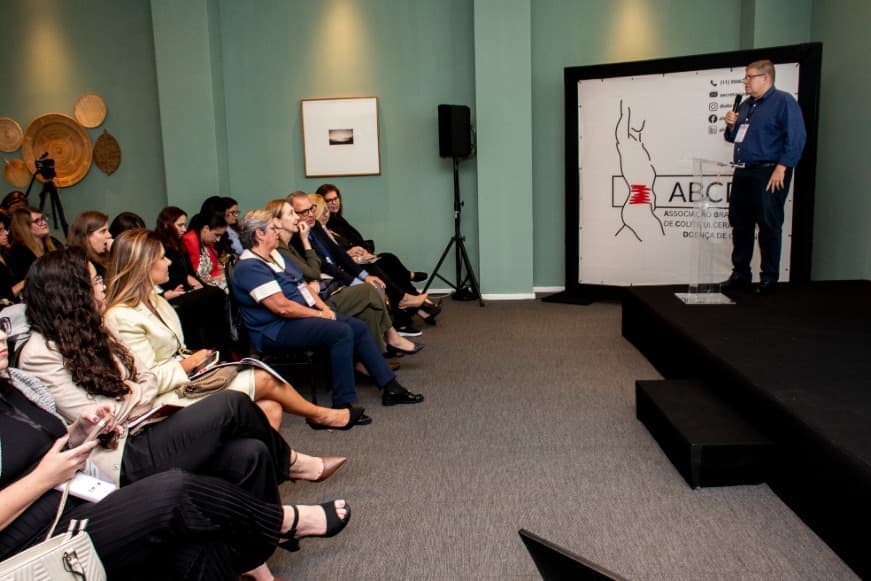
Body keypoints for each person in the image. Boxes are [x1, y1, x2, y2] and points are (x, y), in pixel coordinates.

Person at [3, 324, 351, 580]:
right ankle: (281, 521)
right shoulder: (35, 357)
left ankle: (258, 549)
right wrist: (43, 478)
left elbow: (47, 441)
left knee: (244, 459)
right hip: (39, 537)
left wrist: (78, 431)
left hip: (81, 493)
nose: (2, 337)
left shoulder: (14, 383)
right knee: (174, 489)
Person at [100, 232, 366, 430]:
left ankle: (274, 473)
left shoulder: (155, 301)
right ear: (143, 265)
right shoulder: (122, 316)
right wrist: (187, 365)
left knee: (271, 408)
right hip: (167, 398)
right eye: (161, 257)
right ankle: (321, 416)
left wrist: (197, 361)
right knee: (263, 379)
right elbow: (144, 381)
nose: (169, 262)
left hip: (188, 379)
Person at [231, 209, 425, 414]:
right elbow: (282, 308)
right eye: (273, 228)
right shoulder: (249, 267)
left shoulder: (275, 255)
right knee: (341, 332)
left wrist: (323, 307)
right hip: (274, 330)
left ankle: (391, 387)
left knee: (358, 327)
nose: (277, 231)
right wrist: (318, 314)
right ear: (259, 235)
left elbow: (303, 286)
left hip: (299, 316)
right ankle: (342, 404)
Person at [266, 199, 421, 357]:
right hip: (316, 300)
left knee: (370, 304)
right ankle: (393, 335)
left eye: (311, 209)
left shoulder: (295, 239)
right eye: (297, 213)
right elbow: (315, 271)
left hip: (323, 290)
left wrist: (362, 276)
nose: (310, 214)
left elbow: (336, 253)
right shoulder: (291, 243)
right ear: (277, 221)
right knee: (369, 290)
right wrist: (306, 242)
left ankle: (374, 357)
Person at [722, 59, 807, 295]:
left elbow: (797, 137)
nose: (745, 81)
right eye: (746, 77)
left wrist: (782, 167)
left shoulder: (783, 101)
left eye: (750, 77)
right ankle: (741, 274)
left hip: (769, 172)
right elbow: (733, 138)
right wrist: (730, 126)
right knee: (741, 224)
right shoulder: (746, 105)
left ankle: (769, 278)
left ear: (766, 78)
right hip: (743, 171)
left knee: (769, 225)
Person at [6, 207, 58, 284]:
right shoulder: (19, 251)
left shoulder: (54, 242)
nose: (44, 223)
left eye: (43, 218)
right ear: (24, 226)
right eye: (37, 221)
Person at [182, 208, 228, 289]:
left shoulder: (207, 242)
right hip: (200, 287)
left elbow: (213, 269)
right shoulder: (190, 240)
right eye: (216, 235)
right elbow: (194, 274)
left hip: (210, 283)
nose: (218, 240)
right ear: (206, 228)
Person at [66, 211, 113, 277]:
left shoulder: (105, 256)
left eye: (108, 230)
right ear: (86, 236)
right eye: (103, 231)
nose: (109, 235)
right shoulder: (79, 264)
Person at [0, 211, 22, 304]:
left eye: (4, 229)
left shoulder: (8, 254)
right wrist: (26, 281)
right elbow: (4, 297)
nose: (6, 233)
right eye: (0, 231)